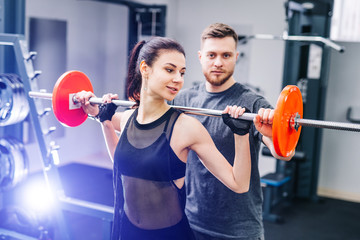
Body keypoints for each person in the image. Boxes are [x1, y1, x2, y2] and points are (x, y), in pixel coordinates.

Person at [75, 37, 253, 240]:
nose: (178, 78)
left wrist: (241, 133)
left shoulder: (186, 127)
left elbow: (239, 183)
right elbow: (122, 163)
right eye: (170, 70)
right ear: (145, 68)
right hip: (128, 232)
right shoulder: (127, 119)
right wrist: (103, 119)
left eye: (182, 72)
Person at [170, 23, 295, 240]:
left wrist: (270, 131)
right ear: (200, 56)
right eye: (211, 55)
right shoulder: (184, 100)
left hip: (239, 230)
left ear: (236, 56)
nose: (218, 62)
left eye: (226, 55)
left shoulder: (252, 102)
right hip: (192, 220)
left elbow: (283, 152)